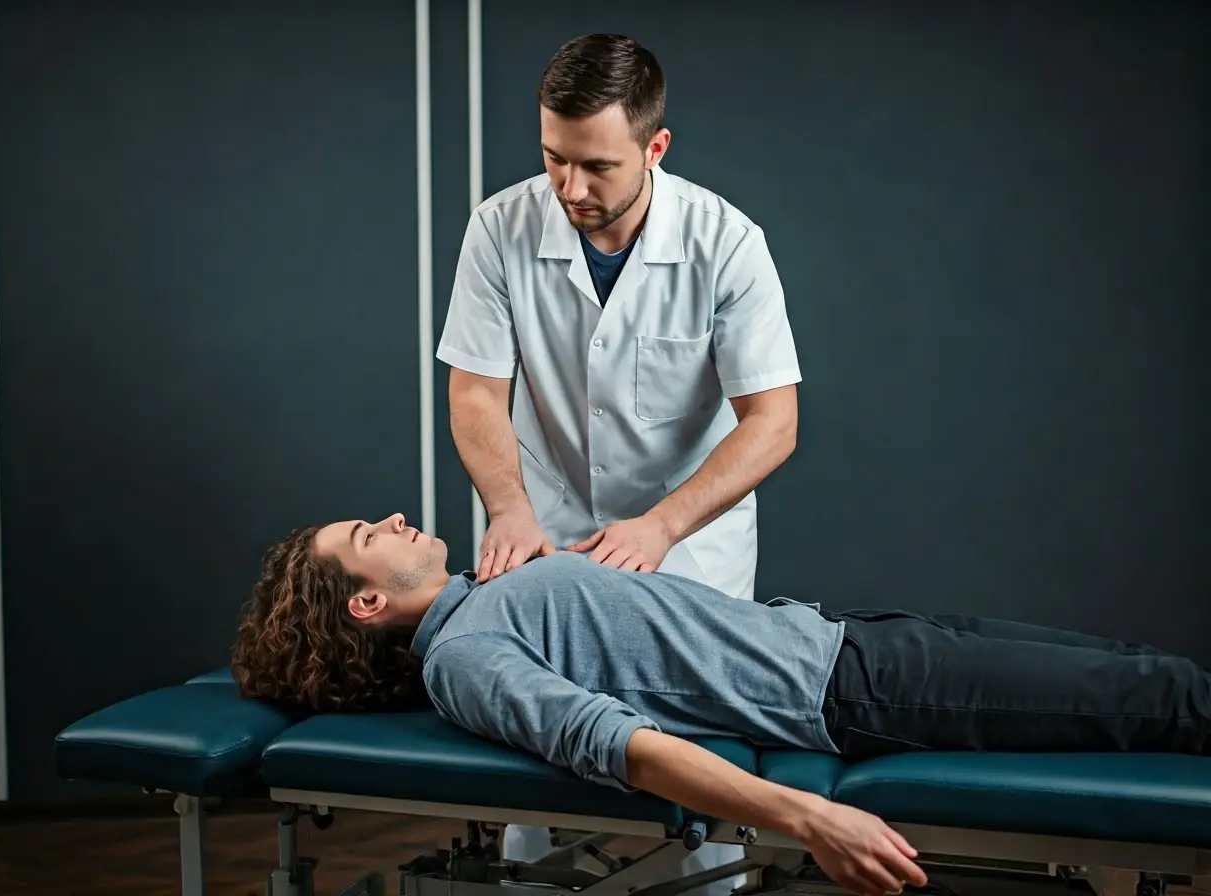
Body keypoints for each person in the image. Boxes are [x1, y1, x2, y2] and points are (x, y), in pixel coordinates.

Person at [230, 513, 1210, 896]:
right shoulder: (466, 657)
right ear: (366, 600)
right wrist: (807, 814)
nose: (395, 518)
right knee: (1167, 697)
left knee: (1143, 674)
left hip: (850, 640)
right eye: (368, 532)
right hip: (854, 691)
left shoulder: (484, 596)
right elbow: (620, 743)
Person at [436, 31, 800, 886]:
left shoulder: (727, 242)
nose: (571, 187)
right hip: (550, 530)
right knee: (540, 769)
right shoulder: (500, 225)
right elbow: (477, 392)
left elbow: (772, 421)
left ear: (655, 147)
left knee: (704, 811)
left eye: (597, 165)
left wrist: (663, 525)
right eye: (555, 160)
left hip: (688, 547)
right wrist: (509, 506)